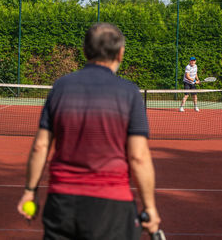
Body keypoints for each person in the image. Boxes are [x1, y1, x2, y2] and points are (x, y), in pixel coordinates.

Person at [17, 23, 161, 240]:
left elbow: (41, 146)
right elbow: (138, 157)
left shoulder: (60, 87)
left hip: (61, 203)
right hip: (111, 206)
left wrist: (30, 191)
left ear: (85, 51)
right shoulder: (130, 92)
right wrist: (150, 207)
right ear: (121, 53)